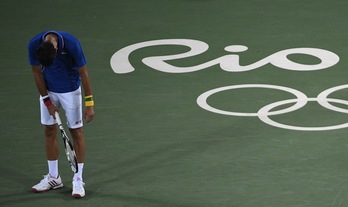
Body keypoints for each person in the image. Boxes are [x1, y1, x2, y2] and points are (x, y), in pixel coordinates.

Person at [28, 30, 95, 198]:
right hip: (48, 91)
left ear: (56, 50)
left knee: (76, 132)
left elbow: (83, 72)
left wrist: (89, 103)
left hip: (71, 92)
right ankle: (53, 177)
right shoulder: (34, 45)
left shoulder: (72, 43)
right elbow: (37, 73)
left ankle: (78, 178)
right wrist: (47, 100)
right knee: (49, 130)